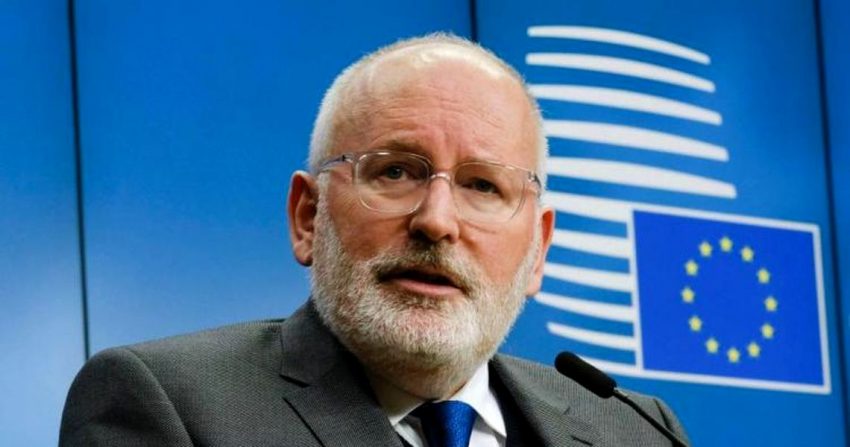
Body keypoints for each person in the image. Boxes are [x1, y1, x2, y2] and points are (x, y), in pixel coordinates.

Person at [60, 33, 688, 447]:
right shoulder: (170, 405)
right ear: (308, 216)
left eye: (483, 186)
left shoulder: (635, 431)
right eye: (395, 172)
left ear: (538, 251)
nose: (437, 221)